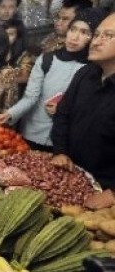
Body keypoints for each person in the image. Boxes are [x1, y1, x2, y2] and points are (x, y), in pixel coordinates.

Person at [0, 8, 107, 152]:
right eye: (73, 29)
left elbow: (93, 111)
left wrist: (66, 109)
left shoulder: (94, 70)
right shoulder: (47, 59)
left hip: (64, 143)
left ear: (94, 37)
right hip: (32, 133)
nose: (74, 37)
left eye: (84, 33)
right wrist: (10, 114)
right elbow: (31, 97)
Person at [50, 12, 115, 189]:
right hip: (70, 174)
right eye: (97, 35)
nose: (95, 41)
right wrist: (60, 151)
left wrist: (113, 191)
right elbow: (63, 114)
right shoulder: (85, 74)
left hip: (104, 189)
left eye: (108, 36)